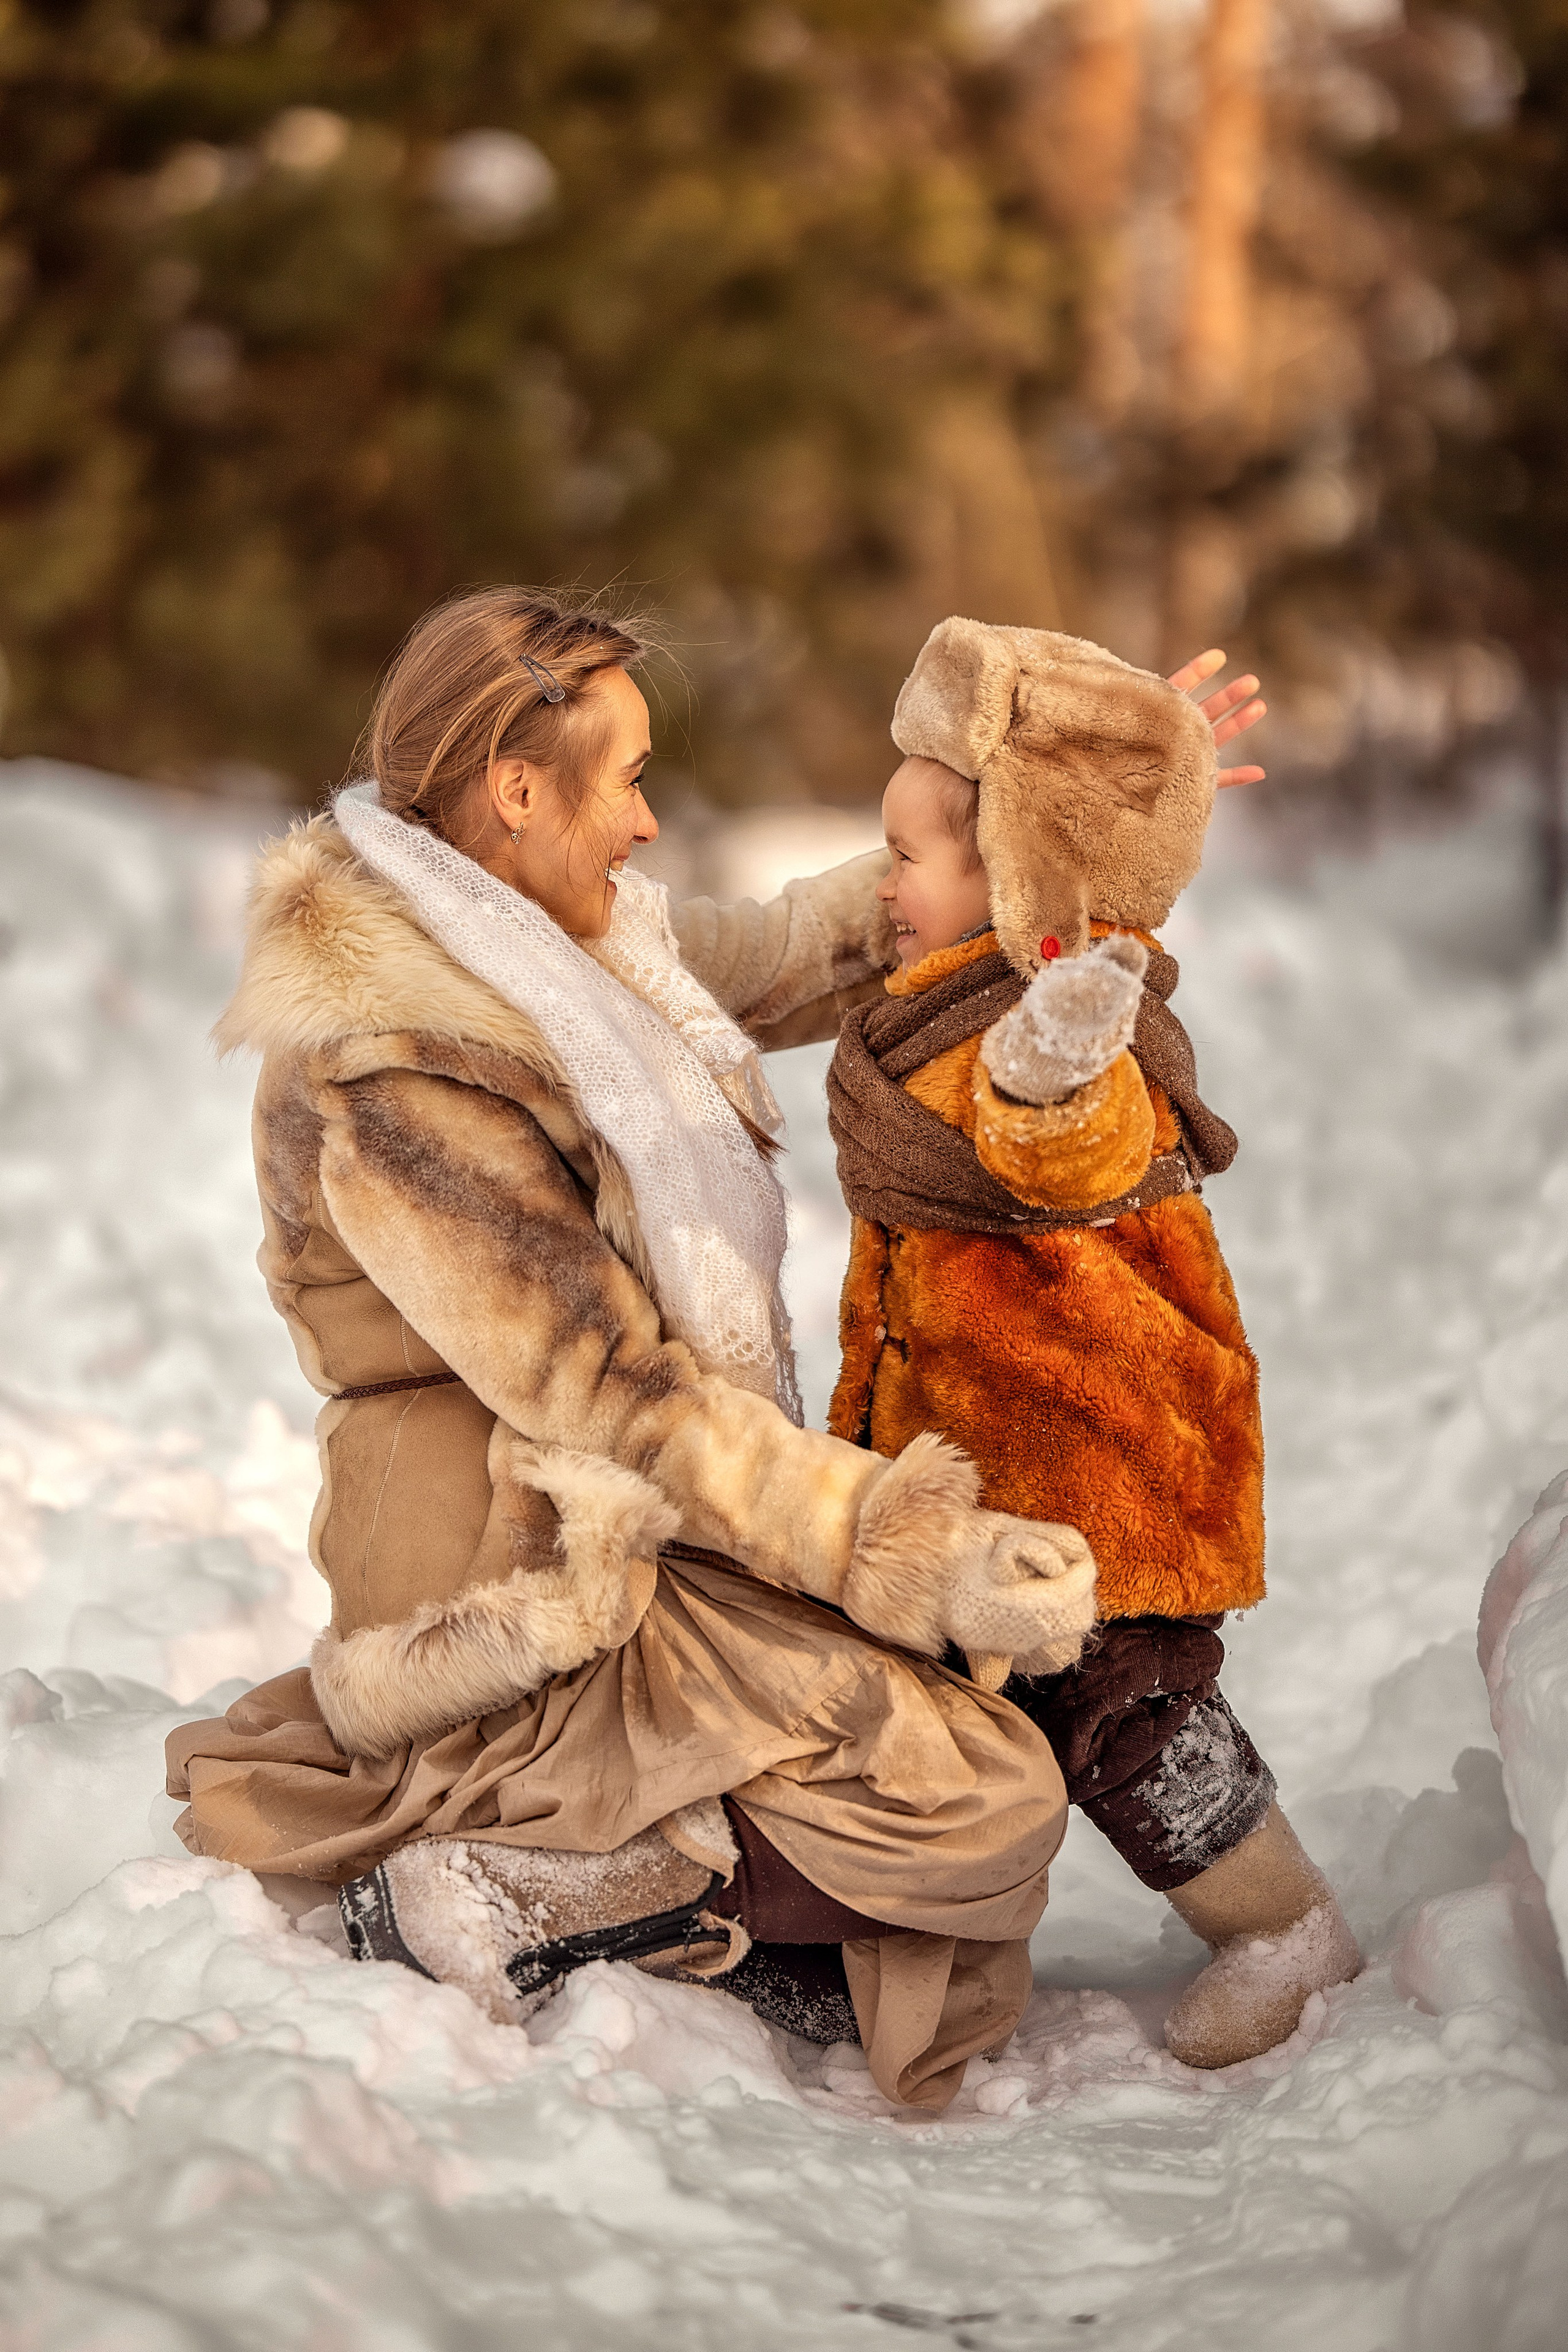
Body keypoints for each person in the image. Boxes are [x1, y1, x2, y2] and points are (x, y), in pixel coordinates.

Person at [165, 586, 1100, 2115]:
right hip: (521, 1563)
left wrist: (1067, 800)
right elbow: (615, 1397)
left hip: (646, 1507)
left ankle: (672, 1881)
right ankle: (512, 1889)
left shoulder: (555, 949)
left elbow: (808, 946)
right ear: (516, 792)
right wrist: (887, 1540)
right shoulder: (395, 1063)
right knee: (974, 1802)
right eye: (626, 780)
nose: (651, 824)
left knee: (975, 1773)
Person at [824, 619, 1360, 2069]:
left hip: (1096, 1456)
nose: (884, 883)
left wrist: (1055, 1054)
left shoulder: (1056, 1023)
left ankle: (1278, 1926)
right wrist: (1097, 763)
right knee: (968, 1708)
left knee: (1125, 1714)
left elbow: (1065, 1148)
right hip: (989, 1465)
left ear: (1010, 874)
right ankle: (898, 1939)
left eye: (906, 858)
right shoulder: (931, 997)